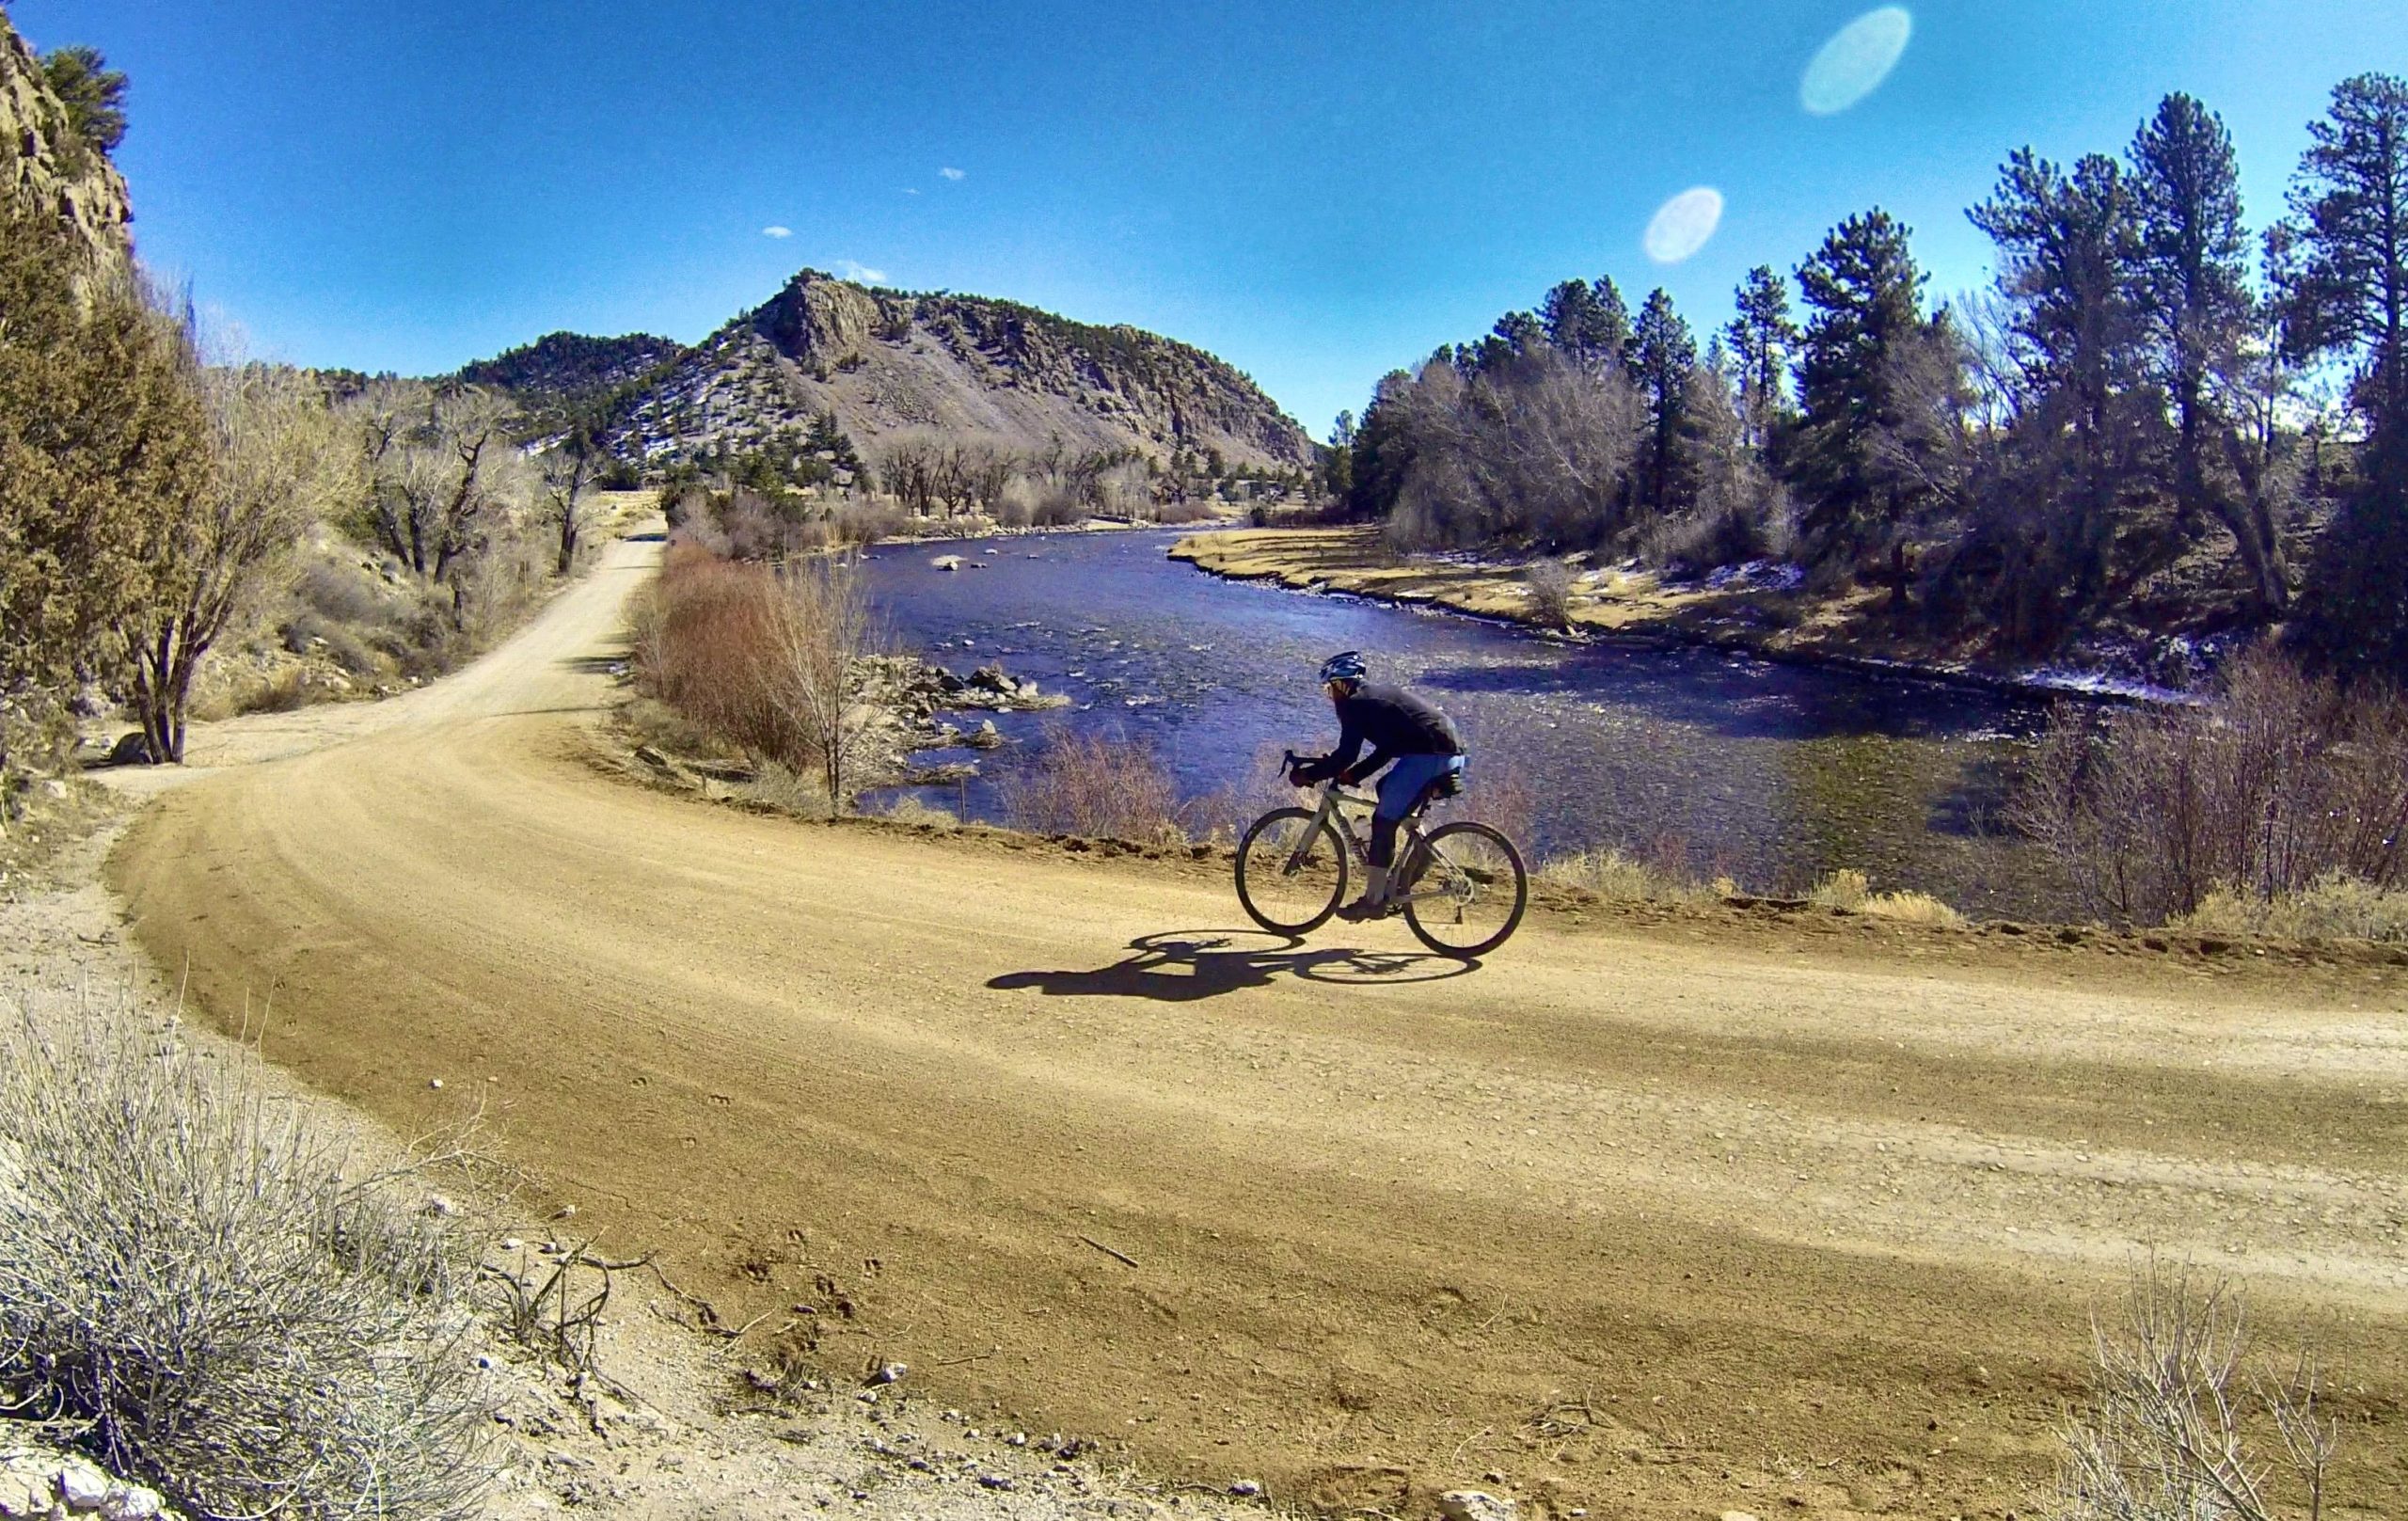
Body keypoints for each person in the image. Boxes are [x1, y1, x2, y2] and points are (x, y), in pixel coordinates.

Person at [1290, 651, 1465, 920]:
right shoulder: (1371, 700)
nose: (1330, 696)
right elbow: (1388, 748)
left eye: (1329, 688)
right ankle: (1421, 851)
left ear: (1341, 684)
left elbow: (1345, 755)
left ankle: (1374, 901)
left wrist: (1310, 775)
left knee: (1383, 821)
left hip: (1432, 755)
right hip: (1444, 751)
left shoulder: (1354, 704)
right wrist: (1354, 775)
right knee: (1386, 790)